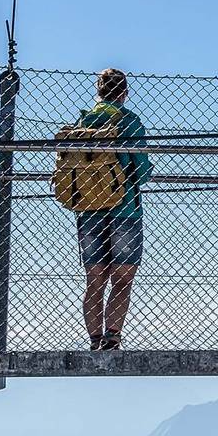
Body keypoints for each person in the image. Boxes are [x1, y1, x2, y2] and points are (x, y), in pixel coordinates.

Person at [74, 68, 152, 350]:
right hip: (124, 210)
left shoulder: (84, 122)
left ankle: (94, 340)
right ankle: (112, 337)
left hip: (89, 210)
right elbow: (141, 171)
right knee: (122, 278)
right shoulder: (129, 122)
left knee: (94, 279)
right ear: (124, 93)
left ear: (98, 91)